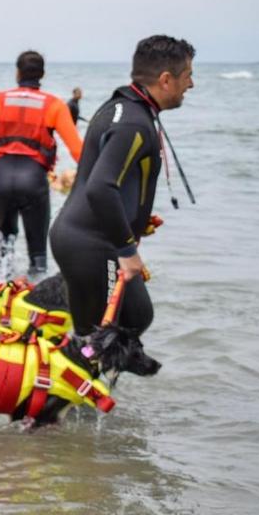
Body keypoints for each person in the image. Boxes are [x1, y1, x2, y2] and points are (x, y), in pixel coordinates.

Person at [50, 36, 194, 336]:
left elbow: (108, 179)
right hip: (93, 244)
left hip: (80, 238)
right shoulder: (134, 123)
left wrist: (135, 220)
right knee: (117, 330)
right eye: (188, 76)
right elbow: (101, 187)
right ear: (166, 80)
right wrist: (128, 251)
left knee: (117, 327)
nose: (191, 85)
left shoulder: (117, 107)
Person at [0, 51, 82, 278]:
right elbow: (78, 151)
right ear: (42, 74)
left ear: (17, 73)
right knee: (37, 253)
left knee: (4, 246)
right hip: (34, 181)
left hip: (1, 181)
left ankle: (1, 292)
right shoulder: (54, 105)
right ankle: (36, 300)